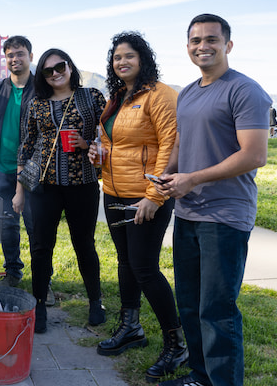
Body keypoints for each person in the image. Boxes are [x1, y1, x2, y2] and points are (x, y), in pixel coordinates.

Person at [156, 14, 270, 386]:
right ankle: (200, 377)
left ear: (228, 45)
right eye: (195, 40)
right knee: (190, 305)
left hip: (224, 216)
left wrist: (193, 179)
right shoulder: (188, 92)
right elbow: (180, 145)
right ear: (187, 46)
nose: (202, 46)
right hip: (188, 212)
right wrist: (167, 175)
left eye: (211, 39)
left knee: (217, 311)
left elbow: (254, 154)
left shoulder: (245, 90)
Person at [90, 32, 187, 383]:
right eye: (117, 57)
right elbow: (108, 141)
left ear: (143, 59)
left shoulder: (162, 96)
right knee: (126, 262)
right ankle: (131, 327)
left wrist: (155, 196)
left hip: (145, 196)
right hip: (114, 192)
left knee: (145, 268)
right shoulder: (117, 97)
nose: (122, 62)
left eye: (129, 56)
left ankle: (176, 343)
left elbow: (169, 147)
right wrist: (97, 154)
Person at [14, 48, 106, 333]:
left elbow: (108, 137)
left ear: (70, 66)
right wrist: (20, 190)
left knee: (84, 245)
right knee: (41, 247)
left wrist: (87, 142)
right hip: (44, 186)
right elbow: (27, 148)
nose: (55, 74)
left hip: (83, 185)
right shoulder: (36, 105)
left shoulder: (91, 97)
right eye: (48, 71)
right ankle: (39, 304)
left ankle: (95, 302)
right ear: (42, 76)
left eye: (60, 67)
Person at [0, 36, 36, 289]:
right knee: (8, 224)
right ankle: (13, 272)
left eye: (20, 54)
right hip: (0, 168)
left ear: (30, 56)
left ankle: (44, 279)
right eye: (10, 55)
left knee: (37, 227)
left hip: (33, 170)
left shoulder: (41, 90)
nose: (14, 59)